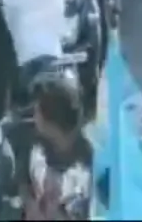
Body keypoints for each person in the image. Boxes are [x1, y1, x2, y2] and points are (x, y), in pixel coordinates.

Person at [22, 76, 95, 220]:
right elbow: (24, 183)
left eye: (37, 112)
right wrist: (30, 203)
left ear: (50, 122)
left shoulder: (83, 175)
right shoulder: (39, 148)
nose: (34, 117)